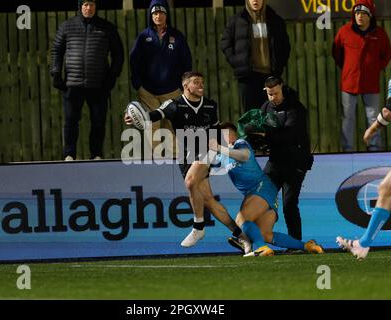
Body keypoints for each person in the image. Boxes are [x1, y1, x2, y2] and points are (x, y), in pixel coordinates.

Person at [124, 71, 252, 252]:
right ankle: (243, 237)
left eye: (202, 82)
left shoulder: (209, 106)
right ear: (186, 86)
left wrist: (218, 148)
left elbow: (215, 130)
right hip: (185, 156)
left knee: (190, 181)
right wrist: (137, 118)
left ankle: (198, 227)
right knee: (208, 200)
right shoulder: (174, 105)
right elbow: (153, 116)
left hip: (207, 151)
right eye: (196, 82)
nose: (201, 85)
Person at [209, 122, 324, 256]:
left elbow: (244, 156)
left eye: (226, 133)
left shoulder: (240, 143)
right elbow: (208, 167)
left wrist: (218, 147)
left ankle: (260, 247)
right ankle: (307, 246)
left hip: (261, 188)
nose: (223, 137)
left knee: (241, 220)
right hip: (266, 194)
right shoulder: (222, 156)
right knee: (265, 234)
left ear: (232, 134)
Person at [50, 0, 124, 161]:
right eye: (85, 5)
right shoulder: (67, 26)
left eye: (91, 5)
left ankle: (96, 154)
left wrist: (112, 75)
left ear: (96, 7)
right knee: (70, 121)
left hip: (98, 84)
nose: (88, 8)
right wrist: (56, 73)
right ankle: (69, 154)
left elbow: (118, 53)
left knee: (98, 122)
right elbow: (57, 50)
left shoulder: (107, 27)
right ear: (79, 7)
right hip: (72, 84)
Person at [337, 71, 391, 260]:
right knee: (386, 188)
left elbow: (390, 110)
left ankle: (363, 244)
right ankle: (363, 244)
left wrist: (372, 129)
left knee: (386, 189)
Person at [250, 76, 313, 242]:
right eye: (269, 94)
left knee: (289, 205)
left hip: (295, 162)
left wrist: (266, 135)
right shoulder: (266, 107)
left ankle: (296, 243)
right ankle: (256, 240)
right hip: (275, 162)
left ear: (282, 88)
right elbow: (260, 129)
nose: (273, 98)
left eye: (276, 93)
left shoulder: (296, 108)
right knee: (260, 199)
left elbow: (290, 135)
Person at [130, 0, 192, 158]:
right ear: (151, 15)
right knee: (152, 127)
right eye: (155, 13)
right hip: (148, 92)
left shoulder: (176, 36)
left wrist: (183, 85)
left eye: (161, 13)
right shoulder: (143, 37)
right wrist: (138, 85)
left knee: (172, 126)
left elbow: (186, 62)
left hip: (172, 91)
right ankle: (157, 163)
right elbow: (134, 61)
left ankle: (176, 163)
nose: (158, 16)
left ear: (166, 15)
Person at [332, 0, 391, 152]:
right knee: (348, 119)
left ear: (370, 16)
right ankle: (347, 151)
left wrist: (373, 69)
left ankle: (375, 149)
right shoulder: (344, 31)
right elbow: (337, 53)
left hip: (371, 84)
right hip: (349, 83)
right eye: (357, 13)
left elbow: (386, 55)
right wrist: (347, 68)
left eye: (363, 14)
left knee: (374, 119)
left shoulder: (379, 34)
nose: (359, 16)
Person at [221, 0, 290, 112]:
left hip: (270, 77)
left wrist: (279, 66)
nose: (255, 0)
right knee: (251, 119)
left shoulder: (275, 20)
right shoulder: (237, 20)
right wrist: (237, 62)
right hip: (248, 78)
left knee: (271, 117)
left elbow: (285, 46)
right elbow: (225, 43)